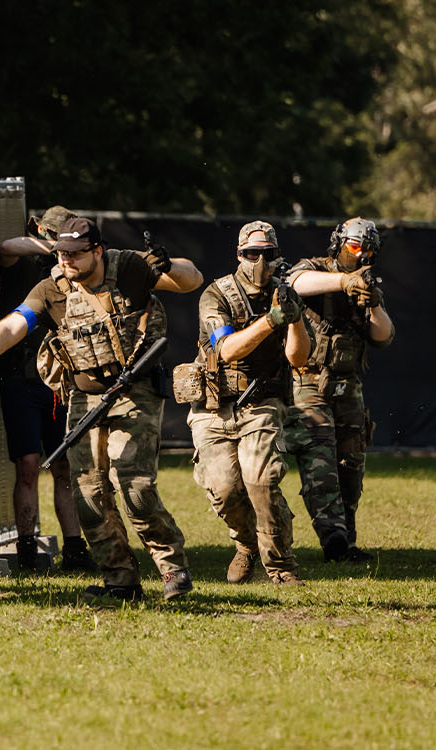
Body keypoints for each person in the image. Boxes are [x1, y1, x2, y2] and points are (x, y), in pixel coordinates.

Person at [0, 216, 203, 601]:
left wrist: (168, 265)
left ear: (97, 251)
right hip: (84, 398)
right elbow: (16, 324)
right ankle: (120, 581)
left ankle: (173, 568)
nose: (66, 261)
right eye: (61, 253)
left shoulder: (127, 267)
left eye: (76, 254)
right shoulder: (52, 289)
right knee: (87, 493)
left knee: (133, 485)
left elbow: (191, 279)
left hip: (136, 391)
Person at [182, 221, 307, 585]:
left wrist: (294, 318)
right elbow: (226, 349)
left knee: (262, 480)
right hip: (213, 406)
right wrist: (271, 320)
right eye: (252, 254)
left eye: (267, 254)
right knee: (223, 489)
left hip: (263, 403)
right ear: (239, 254)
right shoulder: (217, 294)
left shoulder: (283, 294)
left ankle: (281, 565)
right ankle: (246, 545)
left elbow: (298, 359)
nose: (260, 262)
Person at [280, 217, 394, 563]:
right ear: (339, 243)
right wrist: (344, 281)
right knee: (320, 461)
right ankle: (333, 538)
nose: (360, 255)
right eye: (355, 246)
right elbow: (294, 282)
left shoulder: (368, 283)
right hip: (309, 380)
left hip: (349, 384)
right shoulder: (316, 269)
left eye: (368, 250)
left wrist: (372, 300)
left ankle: (346, 539)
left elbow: (384, 336)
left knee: (350, 463)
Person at [0, 206, 91, 572]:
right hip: (20, 381)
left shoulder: (73, 272)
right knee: (28, 465)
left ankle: (75, 547)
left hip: (60, 383)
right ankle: (27, 548)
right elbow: (7, 246)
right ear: (40, 230)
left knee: (65, 466)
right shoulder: (22, 263)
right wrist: (50, 247)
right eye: (53, 236)